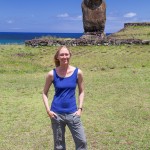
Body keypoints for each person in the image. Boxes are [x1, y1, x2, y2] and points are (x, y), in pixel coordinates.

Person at [42, 46, 87, 150]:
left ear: (70, 55)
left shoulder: (78, 72)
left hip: (73, 113)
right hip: (56, 115)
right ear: (57, 57)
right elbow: (44, 93)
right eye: (61, 54)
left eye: (66, 54)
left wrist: (80, 109)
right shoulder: (51, 74)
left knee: (82, 142)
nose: (64, 56)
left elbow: (81, 91)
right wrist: (48, 110)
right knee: (59, 146)